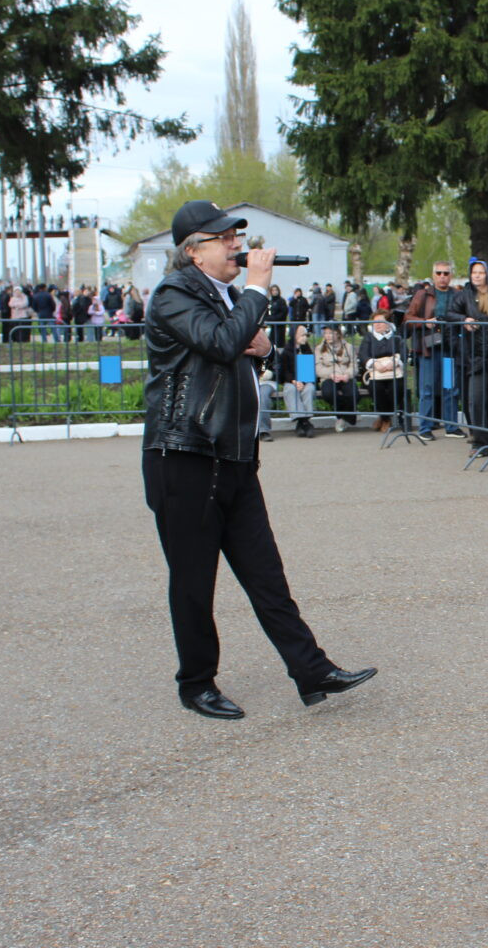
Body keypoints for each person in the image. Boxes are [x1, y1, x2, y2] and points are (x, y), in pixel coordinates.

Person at [141, 199, 374, 717]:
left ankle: (311, 669)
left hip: (234, 457)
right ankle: (196, 683)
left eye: (236, 237)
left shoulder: (223, 296)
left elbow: (239, 352)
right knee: (194, 581)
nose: (236, 246)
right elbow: (221, 344)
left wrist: (265, 350)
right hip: (185, 456)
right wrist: (257, 286)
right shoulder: (175, 294)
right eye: (224, 239)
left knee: (266, 573)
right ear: (193, 251)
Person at [445, 257, 488, 452]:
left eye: (481, 273)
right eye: (474, 272)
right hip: (476, 357)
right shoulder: (465, 295)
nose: (476, 276)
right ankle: (481, 442)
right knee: (476, 401)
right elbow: (449, 313)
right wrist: (463, 319)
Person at [405, 261, 464, 440]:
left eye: (446, 273)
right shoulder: (423, 294)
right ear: (433, 275)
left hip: (450, 347)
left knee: (450, 388)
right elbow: (408, 317)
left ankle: (451, 426)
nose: (442, 276)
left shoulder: (457, 294)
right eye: (439, 273)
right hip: (429, 348)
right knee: (427, 388)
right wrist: (425, 322)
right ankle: (425, 427)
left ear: (451, 275)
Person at [359, 310, 406, 431]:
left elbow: (404, 352)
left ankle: (384, 417)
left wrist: (395, 362)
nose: (377, 324)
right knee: (376, 388)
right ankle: (386, 418)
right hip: (376, 372)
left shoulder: (396, 336)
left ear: (388, 323)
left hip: (394, 371)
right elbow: (363, 354)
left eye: (380, 321)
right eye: (375, 322)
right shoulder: (369, 337)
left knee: (397, 387)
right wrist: (374, 363)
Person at [316, 325, 359, 432]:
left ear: (338, 334)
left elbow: (354, 365)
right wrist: (330, 374)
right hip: (328, 377)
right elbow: (318, 368)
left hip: (345, 376)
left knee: (353, 393)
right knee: (328, 393)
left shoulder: (348, 347)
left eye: (331, 333)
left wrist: (347, 375)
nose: (328, 336)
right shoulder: (319, 348)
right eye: (326, 333)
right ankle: (348, 415)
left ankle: (342, 418)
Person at [277, 324, 317, 438]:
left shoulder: (306, 349)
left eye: (306, 335)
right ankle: (305, 423)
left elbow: (308, 370)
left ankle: (302, 423)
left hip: (305, 381)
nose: (305, 338)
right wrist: (294, 381)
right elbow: (284, 371)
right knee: (290, 390)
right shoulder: (287, 350)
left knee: (309, 389)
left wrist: (303, 382)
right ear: (294, 335)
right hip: (291, 381)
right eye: (302, 335)